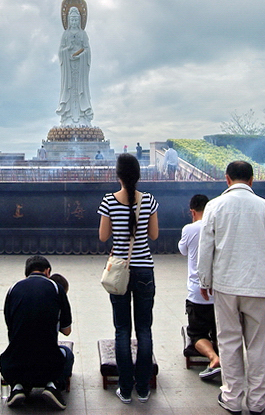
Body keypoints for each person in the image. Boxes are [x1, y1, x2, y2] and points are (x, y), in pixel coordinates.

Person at [197, 161, 265, 415]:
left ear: (227, 179)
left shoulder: (214, 206)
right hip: (259, 285)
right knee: (258, 344)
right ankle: (257, 401)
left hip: (226, 285)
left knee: (228, 341)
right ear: (251, 180)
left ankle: (231, 398)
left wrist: (203, 280)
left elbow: (206, 248)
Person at [98, 153, 159, 403]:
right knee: (144, 329)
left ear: (118, 175)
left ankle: (125, 388)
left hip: (120, 271)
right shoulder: (150, 201)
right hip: (144, 270)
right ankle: (143, 387)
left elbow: (103, 237)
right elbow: (154, 235)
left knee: (122, 329)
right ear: (138, 174)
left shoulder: (109, 201)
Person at [0, 255, 73, 410]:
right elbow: (66, 331)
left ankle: (18, 387)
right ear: (47, 271)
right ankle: (53, 385)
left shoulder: (13, 289)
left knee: (14, 352)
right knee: (67, 353)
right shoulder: (55, 287)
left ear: (27, 273)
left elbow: (11, 327)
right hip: (49, 362)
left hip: (15, 363)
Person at [178, 194, 221, 381]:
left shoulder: (190, 229)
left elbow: (183, 250)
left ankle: (213, 358)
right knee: (221, 330)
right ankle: (226, 358)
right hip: (219, 290)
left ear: (192, 212)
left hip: (197, 292)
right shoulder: (218, 226)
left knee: (196, 334)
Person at [56, 5, 93, 127]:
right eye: (72, 20)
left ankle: (82, 117)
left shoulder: (83, 34)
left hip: (80, 66)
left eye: (76, 20)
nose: (74, 22)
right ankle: (68, 118)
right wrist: (67, 50)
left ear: (80, 20)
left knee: (81, 90)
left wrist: (81, 55)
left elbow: (87, 50)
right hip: (69, 67)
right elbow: (60, 51)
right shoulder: (65, 34)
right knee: (69, 89)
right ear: (68, 20)